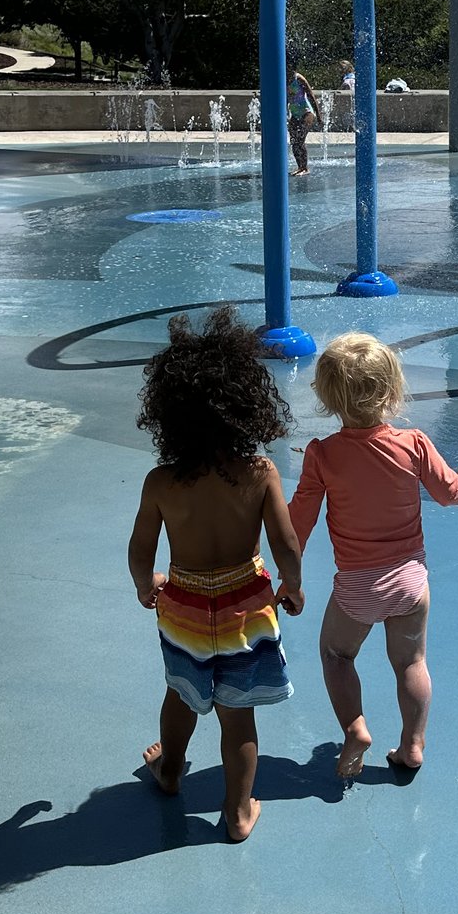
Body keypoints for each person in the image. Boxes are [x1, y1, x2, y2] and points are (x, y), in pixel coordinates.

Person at [128, 305, 305, 842]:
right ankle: (236, 813)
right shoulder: (259, 472)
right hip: (245, 607)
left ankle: (171, 770)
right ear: (247, 406)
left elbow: (140, 548)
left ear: (168, 416)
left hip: (183, 603)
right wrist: (290, 585)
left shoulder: (162, 481)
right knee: (238, 716)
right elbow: (285, 541)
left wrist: (146, 584)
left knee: (180, 694)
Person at [287, 332, 458, 780]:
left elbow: (299, 520)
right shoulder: (413, 443)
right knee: (411, 663)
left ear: (326, 398)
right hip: (411, 581)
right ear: (393, 392)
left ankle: (356, 727)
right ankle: (412, 745)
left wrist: (288, 574)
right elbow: (451, 492)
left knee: (337, 655)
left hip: (358, 585)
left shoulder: (321, 455)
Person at [287, 66, 319, 175]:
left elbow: (311, 95)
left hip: (306, 112)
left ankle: (305, 168)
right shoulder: (281, 79)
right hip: (294, 114)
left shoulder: (298, 78)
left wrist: (318, 115)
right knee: (294, 142)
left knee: (300, 140)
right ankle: (299, 167)